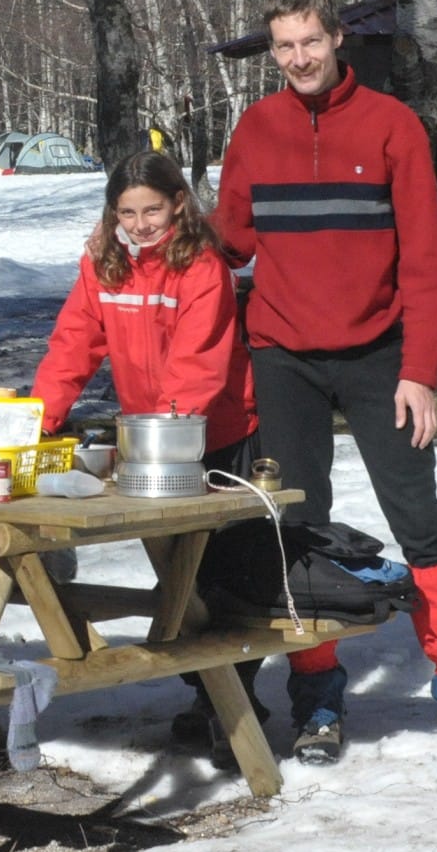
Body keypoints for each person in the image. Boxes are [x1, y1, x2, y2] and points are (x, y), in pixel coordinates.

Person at [213, 0, 437, 776]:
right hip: (283, 357)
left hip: (380, 356)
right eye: (284, 46)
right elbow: (229, 242)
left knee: (420, 522)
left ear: (338, 37)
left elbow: (426, 262)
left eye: (310, 40)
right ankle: (317, 697)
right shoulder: (256, 129)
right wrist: (148, 232)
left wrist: (420, 371)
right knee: (296, 528)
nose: (299, 57)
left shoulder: (391, 126)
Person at [30, 151, 264, 760]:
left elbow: (197, 364)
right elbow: (73, 344)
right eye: (127, 213)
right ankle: (206, 691)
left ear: (179, 204)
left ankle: (235, 704)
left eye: (152, 210)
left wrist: (157, 438)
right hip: (151, 439)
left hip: (213, 433)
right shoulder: (103, 264)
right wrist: (36, 422)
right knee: (178, 575)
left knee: (226, 574)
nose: (140, 224)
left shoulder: (202, 266)